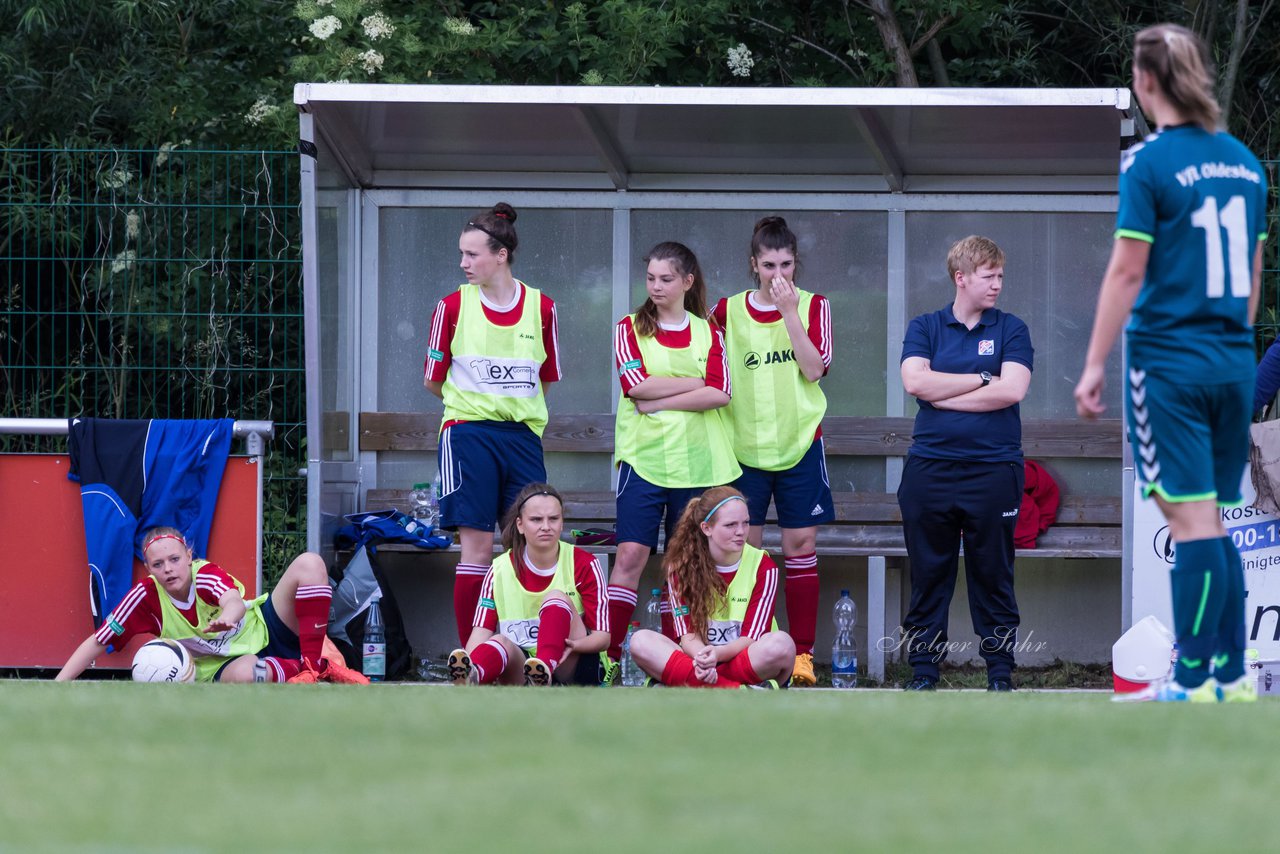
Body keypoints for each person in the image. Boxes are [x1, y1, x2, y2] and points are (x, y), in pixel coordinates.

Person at [1074, 23, 1268, 703]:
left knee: (1187, 519)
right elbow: (1251, 277)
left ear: (1145, 81)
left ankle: (1190, 676)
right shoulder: (1246, 163)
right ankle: (1234, 673)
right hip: (1230, 362)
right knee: (1212, 516)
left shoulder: (1148, 164)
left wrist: (1094, 362)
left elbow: (1128, 271)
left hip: (1170, 363)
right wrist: (1228, 348)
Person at [897, 235, 1033, 692]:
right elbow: (915, 382)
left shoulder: (1011, 329)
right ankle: (923, 671)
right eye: (988, 275)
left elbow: (1011, 391)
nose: (997, 284)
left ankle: (999, 672)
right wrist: (978, 379)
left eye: (1000, 276)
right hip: (929, 471)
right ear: (962, 277)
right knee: (929, 572)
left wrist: (943, 396)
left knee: (992, 573)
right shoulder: (925, 326)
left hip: (994, 471)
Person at [423, 203, 562, 646]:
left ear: (501, 255)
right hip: (468, 434)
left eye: (472, 255)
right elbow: (433, 380)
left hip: (522, 438)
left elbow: (546, 377)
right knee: (478, 549)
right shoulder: (451, 306)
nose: (463, 263)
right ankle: (473, 655)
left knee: (529, 546)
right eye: (461, 254)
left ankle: (524, 652)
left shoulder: (542, 307)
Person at [606, 241, 741, 674]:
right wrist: (692, 382)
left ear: (688, 281)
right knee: (629, 556)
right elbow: (635, 386)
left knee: (684, 565)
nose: (656, 287)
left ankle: (679, 662)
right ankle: (607, 659)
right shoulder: (629, 327)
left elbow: (721, 391)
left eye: (666, 279)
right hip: (644, 462)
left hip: (699, 465)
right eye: (650, 278)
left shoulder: (710, 331)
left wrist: (662, 396)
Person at [711, 216, 834, 687]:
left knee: (801, 548)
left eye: (785, 264)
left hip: (799, 445)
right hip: (743, 451)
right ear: (753, 265)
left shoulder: (814, 306)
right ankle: (748, 655)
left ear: (795, 263)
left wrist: (789, 314)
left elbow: (814, 371)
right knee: (745, 553)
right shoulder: (725, 311)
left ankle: (801, 655)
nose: (777, 274)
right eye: (768, 265)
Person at [56, 526, 367, 683]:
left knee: (310, 563)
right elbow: (100, 640)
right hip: (225, 665)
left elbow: (233, 601)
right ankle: (317, 672)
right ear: (149, 569)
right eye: (159, 563)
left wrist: (229, 618)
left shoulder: (203, 574)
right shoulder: (142, 597)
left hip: (267, 627)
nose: (168, 568)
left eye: (175, 559)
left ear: (189, 557)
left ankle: (311, 666)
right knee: (248, 675)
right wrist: (57, 685)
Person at [628, 486, 795, 688]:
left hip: (744, 656)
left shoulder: (764, 567)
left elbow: (752, 638)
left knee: (782, 644)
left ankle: (690, 682)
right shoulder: (680, 568)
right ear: (706, 528)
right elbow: (688, 637)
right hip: (699, 658)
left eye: (746, 523)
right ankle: (737, 689)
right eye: (731, 525)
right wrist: (704, 659)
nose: (741, 532)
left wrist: (716, 655)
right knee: (640, 641)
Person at [447, 483, 609, 686]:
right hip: (522, 667)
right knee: (499, 641)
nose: (546, 526)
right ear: (520, 525)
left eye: (553, 519)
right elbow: (481, 633)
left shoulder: (584, 563)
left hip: (573, 664)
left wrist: (574, 645)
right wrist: (470, 660)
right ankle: (474, 675)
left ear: (562, 523)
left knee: (556, 597)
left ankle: (543, 671)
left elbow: (603, 638)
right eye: (536, 520)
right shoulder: (499, 569)